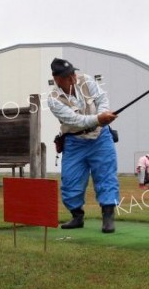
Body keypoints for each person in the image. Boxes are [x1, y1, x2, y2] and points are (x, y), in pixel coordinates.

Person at [47, 58, 119, 233]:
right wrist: (97, 119)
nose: (73, 77)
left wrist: (103, 115)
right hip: (74, 141)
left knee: (106, 176)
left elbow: (102, 98)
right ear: (57, 79)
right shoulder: (53, 100)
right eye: (67, 76)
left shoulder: (86, 80)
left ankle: (108, 217)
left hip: (101, 138)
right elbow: (75, 120)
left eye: (73, 73)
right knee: (70, 180)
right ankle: (77, 216)